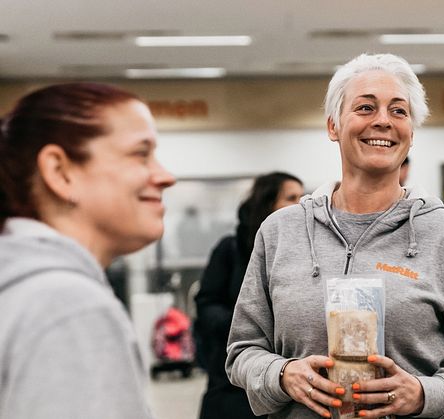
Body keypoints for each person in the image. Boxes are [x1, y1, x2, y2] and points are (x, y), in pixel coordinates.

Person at [226, 53, 444, 419]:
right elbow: (243, 352)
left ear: (411, 132)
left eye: (399, 111)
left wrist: (424, 394)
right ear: (333, 125)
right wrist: (283, 375)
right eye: (365, 108)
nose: (382, 121)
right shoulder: (279, 232)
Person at [0, 82, 175, 418]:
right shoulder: (67, 305)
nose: (166, 176)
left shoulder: (21, 289)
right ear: (60, 172)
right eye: (141, 154)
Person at [195, 171, 303, 419]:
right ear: (268, 203)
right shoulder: (230, 248)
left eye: (301, 196)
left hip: (282, 382)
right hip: (232, 383)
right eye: (291, 197)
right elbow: (206, 305)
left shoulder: (300, 252)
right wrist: (250, 323)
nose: (300, 204)